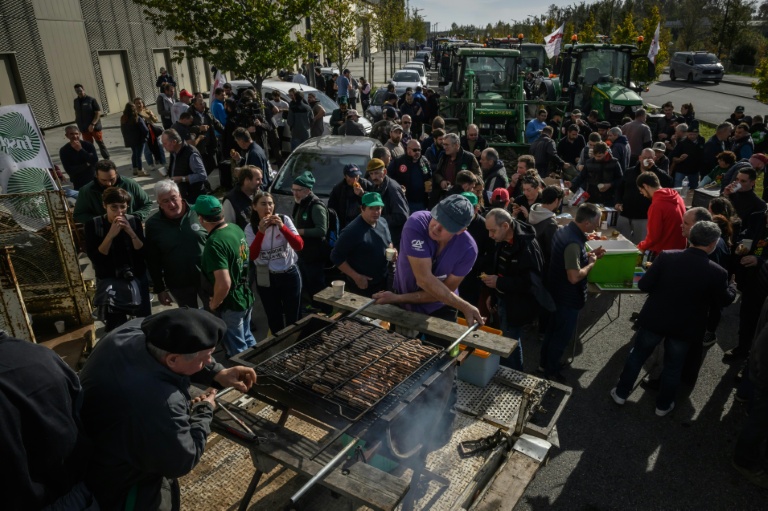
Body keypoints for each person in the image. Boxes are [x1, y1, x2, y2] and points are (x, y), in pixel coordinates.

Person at [79, 308, 256, 510]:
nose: (210, 361)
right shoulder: (161, 404)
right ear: (172, 360)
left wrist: (218, 372)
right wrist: (203, 410)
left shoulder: (133, 331)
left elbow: (184, 350)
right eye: (206, 358)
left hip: (96, 436)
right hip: (120, 478)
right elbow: (181, 461)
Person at [610, 222, 737, 416]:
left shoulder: (667, 256)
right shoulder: (717, 272)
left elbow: (645, 284)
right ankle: (663, 405)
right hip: (685, 327)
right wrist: (733, 287)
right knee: (673, 366)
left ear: (689, 238)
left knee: (638, 355)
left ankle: (621, 393)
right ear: (712, 244)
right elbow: (725, 300)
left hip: (655, 318)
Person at [372, 194, 484, 326]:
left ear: (461, 230)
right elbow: (424, 279)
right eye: (437, 218)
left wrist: (398, 298)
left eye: (447, 226)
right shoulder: (416, 223)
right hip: (404, 300)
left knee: (442, 346)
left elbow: (442, 291)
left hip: (441, 306)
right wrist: (464, 306)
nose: (436, 227)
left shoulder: (468, 250)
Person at [539, 203, 606, 382]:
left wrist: (589, 255)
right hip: (567, 297)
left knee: (552, 331)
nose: (598, 225)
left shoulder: (564, 231)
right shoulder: (573, 243)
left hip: (555, 291)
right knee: (560, 337)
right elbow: (574, 277)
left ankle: (544, 364)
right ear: (587, 223)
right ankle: (551, 372)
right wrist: (591, 264)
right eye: (597, 222)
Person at [483, 208, 547, 370]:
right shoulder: (502, 239)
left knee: (509, 343)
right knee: (508, 339)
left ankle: (515, 375)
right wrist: (494, 293)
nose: (490, 235)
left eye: (492, 231)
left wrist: (499, 284)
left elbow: (531, 283)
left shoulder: (527, 247)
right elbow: (499, 268)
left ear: (505, 226)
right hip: (505, 301)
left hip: (517, 306)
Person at [193, 195, 256, 357]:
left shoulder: (215, 242)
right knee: (248, 338)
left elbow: (224, 283)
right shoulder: (235, 228)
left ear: (201, 218)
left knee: (238, 349)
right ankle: (259, 366)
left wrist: (214, 304)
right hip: (245, 295)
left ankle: (248, 378)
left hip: (231, 303)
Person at [84, 187, 149, 332]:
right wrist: (110, 235)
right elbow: (97, 258)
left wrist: (131, 233)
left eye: (123, 207)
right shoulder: (93, 225)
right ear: (104, 206)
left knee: (143, 323)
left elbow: (143, 252)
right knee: (116, 327)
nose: (119, 212)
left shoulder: (133, 221)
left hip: (135, 277)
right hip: (110, 280)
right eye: (114, 207)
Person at [145, 180, 209, 310]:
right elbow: (153, 260)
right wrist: (160, 289)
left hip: (207, 278)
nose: (172, 204)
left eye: (174, 198)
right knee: (190, 322)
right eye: (165, 201)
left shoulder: (199, 212)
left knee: (216, 316)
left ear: (180, 196)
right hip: (178, 283)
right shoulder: (153, 225)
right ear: (159, 204)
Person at [246, 191, 304, 334]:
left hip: (289, 273)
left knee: (293, 315)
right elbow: (252, 256)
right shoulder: (250, 228)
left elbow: (299, 245)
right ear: (254, 207)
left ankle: (294, 342)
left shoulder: (284, 219)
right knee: (273, 316)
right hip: (267, 277)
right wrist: (260, 232)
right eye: (263, 204)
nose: (268, 208)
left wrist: (282, 228)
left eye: (271, 204)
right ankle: (279, 343)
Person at [733, 296, 768, 489]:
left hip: (757, 369)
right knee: (759, 421)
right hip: (763, 377)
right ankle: (743, 461)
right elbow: (763, 348)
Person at [331, 192, 394, 296]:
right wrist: (356, 277)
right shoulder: (351, 231)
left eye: (378, 208)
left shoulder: (382, 222)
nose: (376, 212)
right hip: (364, 286)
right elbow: (335, 256)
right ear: (362, 209)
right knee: (363, 312)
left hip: (384, 280)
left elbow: (389, 242)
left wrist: (392, 251)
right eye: (371, 208)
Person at [615, 148, 673, 244]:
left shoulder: (657, 173)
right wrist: (617, 202)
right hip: (625, 214)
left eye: (650, 158)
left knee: (640, 244)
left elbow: (669, 182)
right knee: (620, 243)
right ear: (640, 158)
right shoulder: (630, 172)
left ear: (654, 159)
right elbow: (619, 188)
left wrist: (654, 168)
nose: (646, 160)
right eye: (645, 157)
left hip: (643, 217)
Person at [73, 159, 152, 225]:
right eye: (103, 180)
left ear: (116, 173)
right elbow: (79, 214)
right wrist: (101, 221)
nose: (109, 184)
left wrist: (134, 217)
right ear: (97, 176)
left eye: (112, 179)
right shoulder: (86, 191)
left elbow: (147, 204)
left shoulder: (130, 184)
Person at [291, 171, 329, 308]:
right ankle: (312, 306)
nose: (295, 193)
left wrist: (298, 232)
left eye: (298, 190)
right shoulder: (301, 202)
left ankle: (324, 309)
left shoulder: (316, 206)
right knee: (306, 283)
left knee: (317, 284)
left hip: (314, 255)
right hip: (303, 254)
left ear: (307, 190)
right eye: (293, 189)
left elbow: (321, 230)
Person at [635, 172, 687, 255]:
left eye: (641, 191)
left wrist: (640, 247)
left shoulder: (656, 206)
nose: (643, 195)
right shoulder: (677, 196)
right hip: (680, 250)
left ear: (645, 186)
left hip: (663, 253)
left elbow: (653, 237)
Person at [366, 157, 410, 250]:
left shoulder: (392, 189)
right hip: (384, 236)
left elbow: (402, 216)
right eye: (371, 174)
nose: (374, 177)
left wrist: (378, 219)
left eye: (377, 173)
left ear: (384, 172)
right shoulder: (377, 185)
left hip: (394, 240)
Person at [430, 133, 480, 207]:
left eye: (447, 145)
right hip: (445, 198)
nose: (444, 147)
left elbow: (478, 176)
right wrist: (441, 181)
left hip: (462, 199)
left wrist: (467, 183)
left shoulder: (469, 158)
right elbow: (437, 173)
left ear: (456, 145)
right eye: (444, 144)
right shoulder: (444, 157)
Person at [567, 141, 622, 207]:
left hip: (609, 199)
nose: (597, 158)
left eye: (599, 156)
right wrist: (572, 183)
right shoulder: (589, 162)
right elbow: (581, 176)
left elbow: (620, 179)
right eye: (595, 156)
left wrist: (610, 185)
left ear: (606, 153)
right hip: (592, 197)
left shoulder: (614, 163)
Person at [163, 128, 209, 203]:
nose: (163, 146)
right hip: (182, 195)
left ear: (174, 142)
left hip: (194, 197)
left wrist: (182, 179)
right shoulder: (173, 151)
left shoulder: (191, 154)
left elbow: (202, 175)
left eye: (165, 143)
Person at [390, 139, 432, 213]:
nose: (418, 152)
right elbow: (390, 177)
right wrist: (398, 187)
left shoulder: (424, 160)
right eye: (415, 150)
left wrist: (430, 182)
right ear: (408, 149)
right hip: (406, 201)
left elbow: (429, 174)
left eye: (419, 150)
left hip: (422, 201)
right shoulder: (399, 161)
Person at [328, 163, 370, 230]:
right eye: (352, 176)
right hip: (345, 224)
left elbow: (374, 200)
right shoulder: (338, 189)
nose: (355, 179)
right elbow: (331, 208)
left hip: (364, 222)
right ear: (345, 176)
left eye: (357, 176)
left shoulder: (366, 184)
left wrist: (362, 194)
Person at [73, 83, 109, 159]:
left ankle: (106, 158)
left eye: (80, 90)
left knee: (100, 143)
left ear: (83, 89)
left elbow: (98, 113)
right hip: (84, 128)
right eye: (77, 91)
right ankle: (93, 160)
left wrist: (93, 124)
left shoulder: (91, 100)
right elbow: (76, 112)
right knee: (88, 145)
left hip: (94, 127)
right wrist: (77, 122)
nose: (79, 92)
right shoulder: (76, 101)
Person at [222, 165, 263, 230]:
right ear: (247, 180)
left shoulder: (259, 194)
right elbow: (228, 228)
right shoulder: (231, 200)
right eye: (258, 179)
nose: (261, 182)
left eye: (261, 179)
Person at [59, 124, 98, 190]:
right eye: (71, 134)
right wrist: (86, 164)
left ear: (79, 134)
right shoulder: (64, 150)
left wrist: (80, 150)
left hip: (92, 179)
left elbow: (94, 161)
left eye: (76, 133)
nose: (74, 136)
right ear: (67, 135)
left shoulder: (88, 145)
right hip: (78, 182)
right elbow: (69, 170)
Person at [135, 97, 167, 174]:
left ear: (143, 103)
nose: (139, 105)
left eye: (140, 103)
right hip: (143, 134)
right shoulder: (134, 114)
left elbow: (155, 120)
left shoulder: (147, 111)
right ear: (134, 105)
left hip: (152, 132)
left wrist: (152, 115)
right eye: (137, 103)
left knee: (159, 147)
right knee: (147, 150)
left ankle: (163, 162)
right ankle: (150, 164)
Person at [120, 102, 150, 178]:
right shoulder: (137, 117)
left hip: (130, 140)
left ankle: (135, 169)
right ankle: (140, 170)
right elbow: (145, 130)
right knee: (139, 155)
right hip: (139, 139)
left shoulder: (123, 118)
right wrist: (146, 136)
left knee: (134, 154)